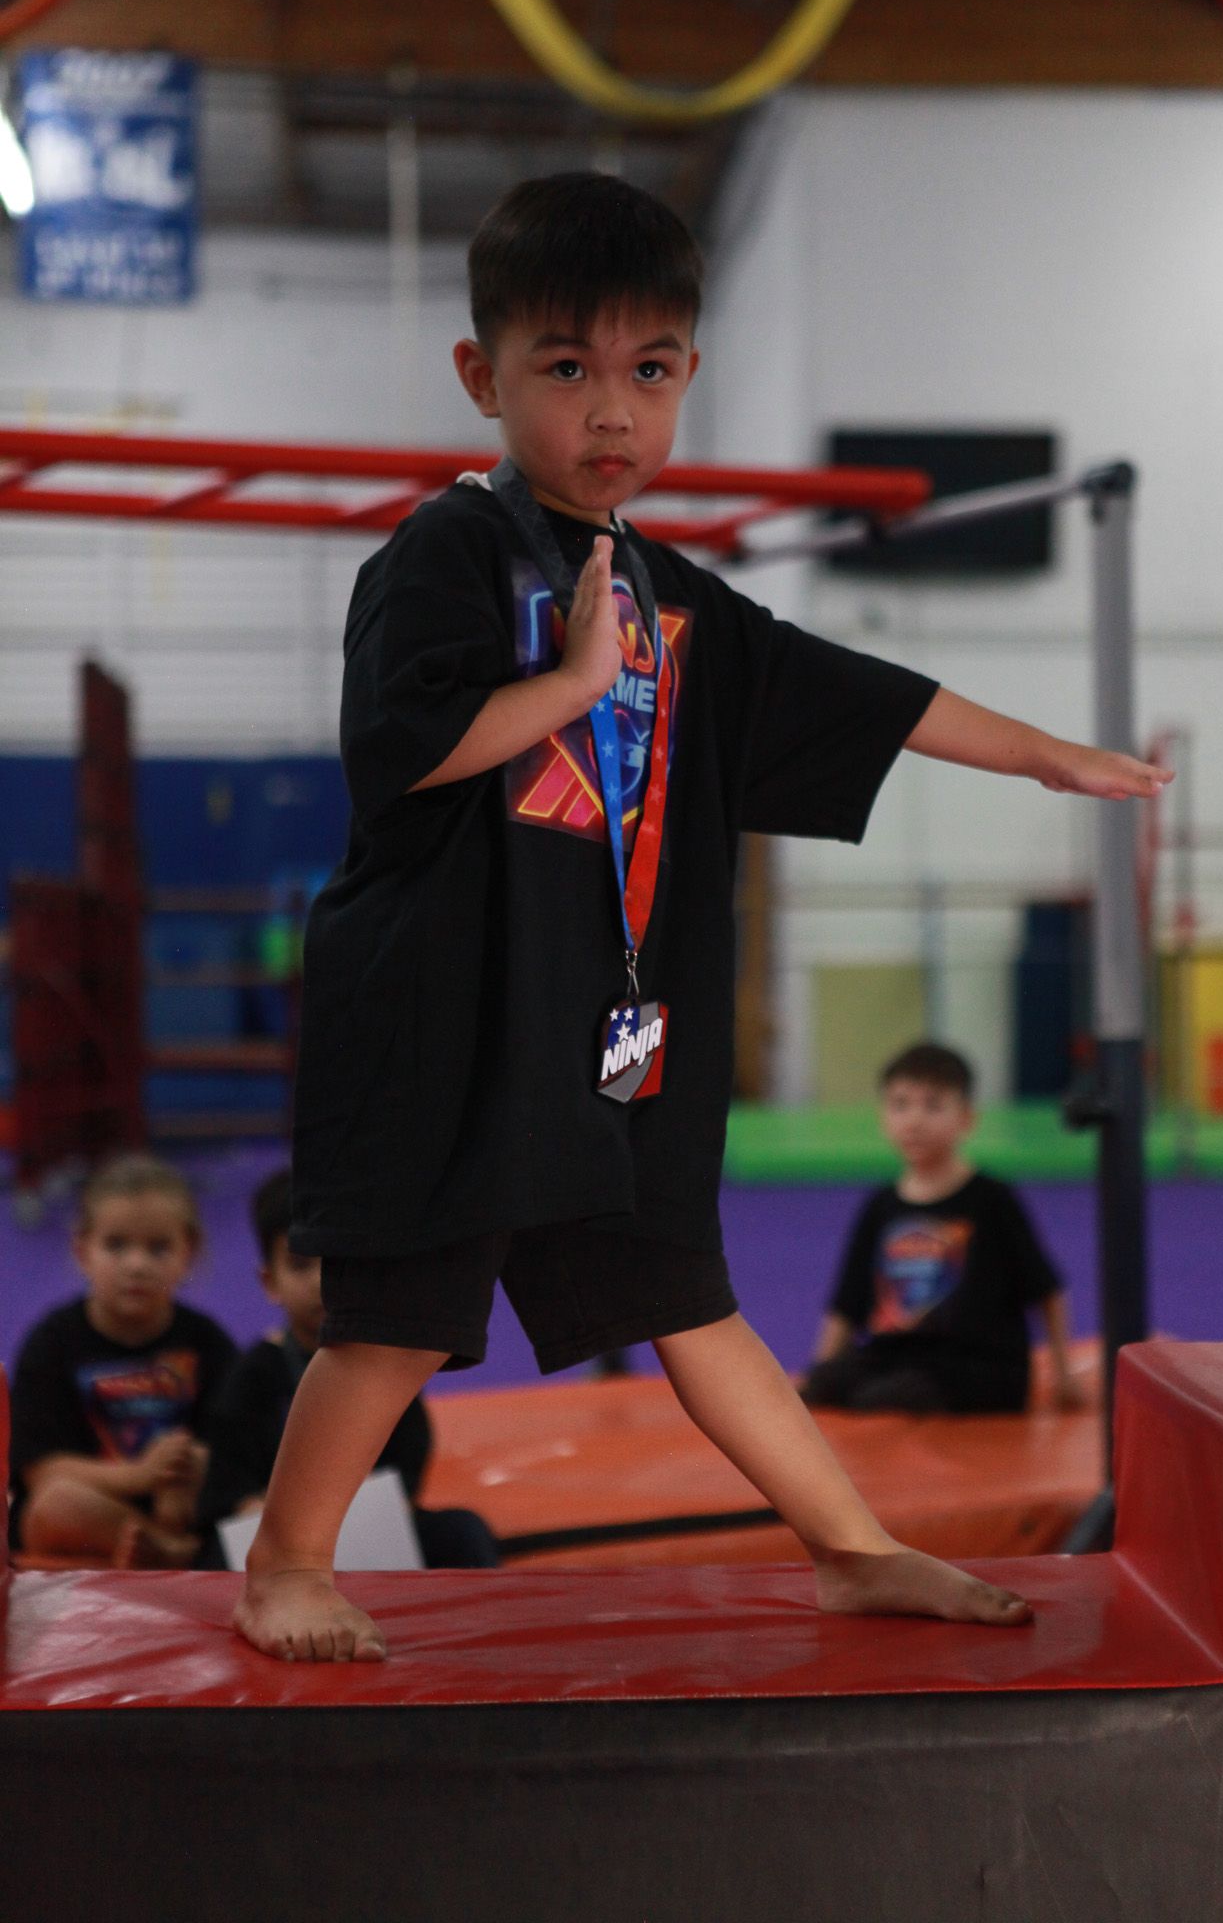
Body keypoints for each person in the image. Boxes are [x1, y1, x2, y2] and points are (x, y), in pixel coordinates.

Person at [233, 171, 1170, 1664]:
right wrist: (563, 687)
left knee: (687, 1289)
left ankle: (852, 1550)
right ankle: (286, 1559)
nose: (614, 412)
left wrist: (1049, 754)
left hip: (606, 1016)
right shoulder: (444, 554)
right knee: (399, 1315)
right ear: (483, 377)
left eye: (651, 373)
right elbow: (404, 748)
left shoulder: (674, 591)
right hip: (451, 1013)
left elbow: (854, 691)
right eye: (567, 370)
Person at [200, 1169, 498, 1568]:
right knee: (215, 1558)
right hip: (276, 1544)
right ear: (270, 1282)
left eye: (338, 1263)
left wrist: (383, 1507)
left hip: (372, 1529)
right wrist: (260, 1510)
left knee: (463, 1532)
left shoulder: (380, 1359)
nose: (322, 1280)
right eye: (301, 1264)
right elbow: (227, 1485)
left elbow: (407, 1458)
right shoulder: (254, 1375)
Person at [801, 1044, 1082, 1417]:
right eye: (900, 1105)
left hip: (978, 1367)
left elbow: (1047, 1292)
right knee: (823, 1387)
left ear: (966, 1119)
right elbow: (846, 1304)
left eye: (932, 1105)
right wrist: (821, 1373)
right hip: (901, 1353)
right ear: (883, 1115)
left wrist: (1063, 1374)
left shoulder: (992, 1200)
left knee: (888, 1399)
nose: (914, 1120)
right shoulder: (882, 1205)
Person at [8, 1154, 235, 1567]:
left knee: (260, 1499)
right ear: (82, 1250)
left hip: (183, 1514)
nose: (136, 1265)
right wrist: (141, 1476)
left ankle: (167, 1549)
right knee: (54, 1505)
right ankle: (165, 1553)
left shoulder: (209, 1343)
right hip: (97, 1514)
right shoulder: (52, 1343)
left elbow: (234, 1445)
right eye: (116, 1245)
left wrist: (187, 1471)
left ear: (190, 1250)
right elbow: (41, 1471)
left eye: (158, 1247)